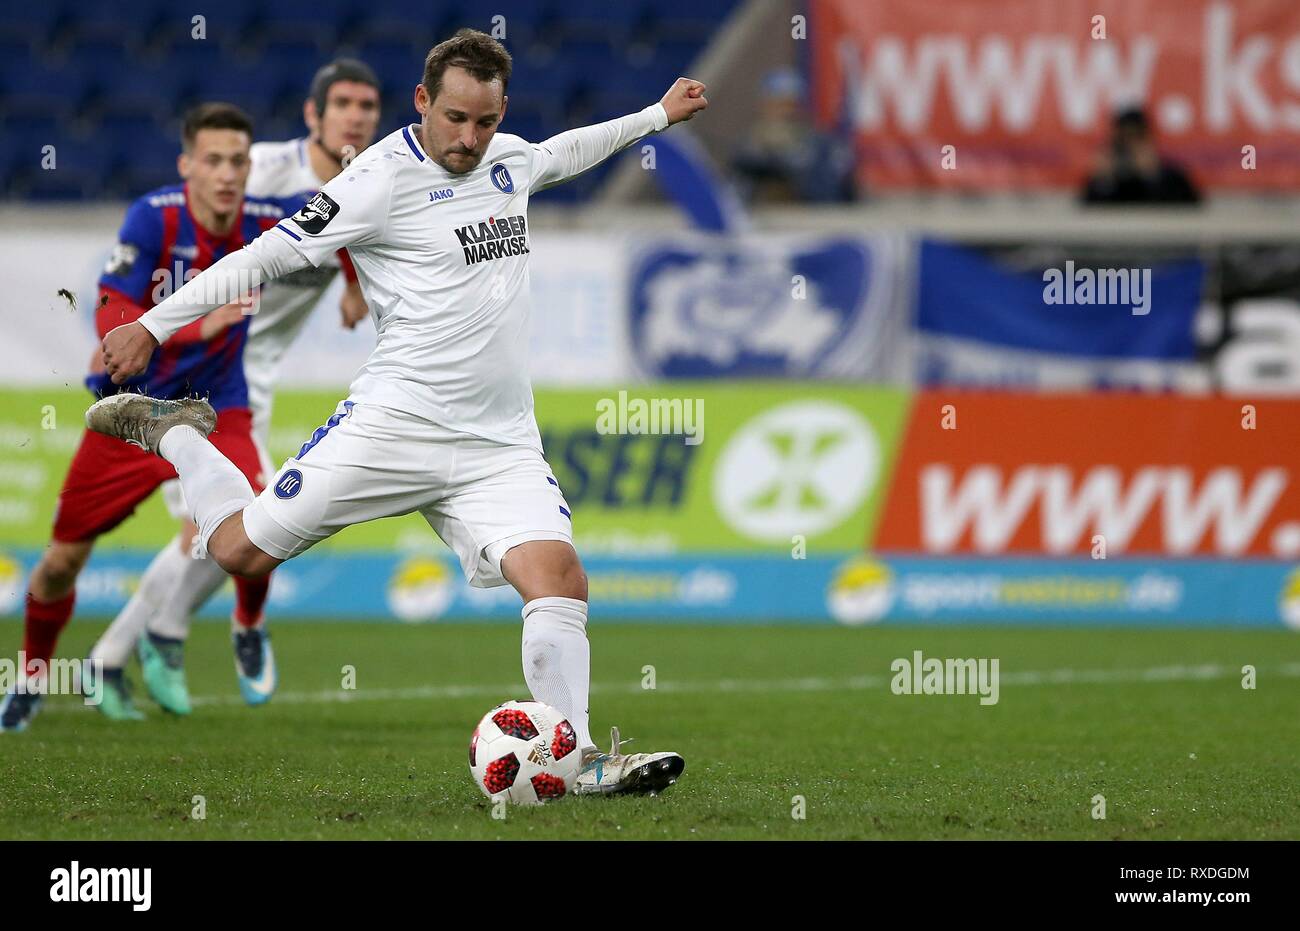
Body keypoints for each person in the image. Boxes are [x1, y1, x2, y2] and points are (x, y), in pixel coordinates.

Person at [91, 29, 707, 795]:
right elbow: (267, 256)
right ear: (422, 101)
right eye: (455, 119)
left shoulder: (508, 159)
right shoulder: (377, 179)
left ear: (500, 110)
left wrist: (656, 114)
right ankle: (175, 433)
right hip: (392, 426)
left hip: (497, 444)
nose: (470, 139)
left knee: (559, 579)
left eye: (485, 121)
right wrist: (153, 323)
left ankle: (577, 760)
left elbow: (571, 148)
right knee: (238, 552)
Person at [85, 59, 382, 718]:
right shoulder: (262, 172)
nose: (357, 117)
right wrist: (133, 329)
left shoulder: (371, 181)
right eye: (342, 104)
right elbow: (180, 225)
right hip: (202, 373)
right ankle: (196, 632)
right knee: (234, 520)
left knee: (210, 528)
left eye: (367, 105)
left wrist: (357, 284)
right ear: (313, 116)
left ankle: (118, 653)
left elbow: (351, 233)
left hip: (256, 375)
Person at [0, 103, 285, 732]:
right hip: (131, 414)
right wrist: (188, 326)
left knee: (265, 518)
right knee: (59, 564)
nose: (227, 174)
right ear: (187, 165)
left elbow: (350, 225)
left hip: (215, 412)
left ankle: (246, 626)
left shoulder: (267, 221)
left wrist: (350, 285)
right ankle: (32, 676)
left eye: (238, 161)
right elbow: (111, 309)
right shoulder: (155, 218)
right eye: (213, 160)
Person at [1082, 107, 1200, 205]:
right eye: (1123, 139)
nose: (1131, 145)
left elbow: (1191, 208)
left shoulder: (1174, 178)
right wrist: (1104, 182)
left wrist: (1152, 176)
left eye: (1136, 137)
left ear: (1149, 139)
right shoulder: (1108, 180)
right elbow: (1088, 217)